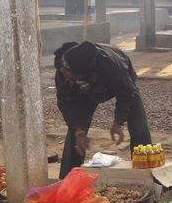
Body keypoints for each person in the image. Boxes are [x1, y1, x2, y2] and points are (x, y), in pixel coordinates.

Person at [54, 41, 152, 179]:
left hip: (121, 82)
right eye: (65, 73)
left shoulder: (113, 67)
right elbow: (66, 104)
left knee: (139, 126)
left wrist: (118, 122)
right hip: (86, 90)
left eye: (71, 75)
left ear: (85, 75)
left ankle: (146, 172)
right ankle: (68, 179)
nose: (65, 75)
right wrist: (78, 130)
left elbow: (126, 94)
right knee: (76, 136)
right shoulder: (63, 72)